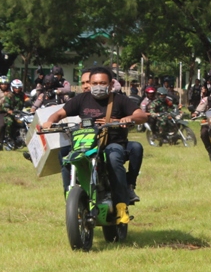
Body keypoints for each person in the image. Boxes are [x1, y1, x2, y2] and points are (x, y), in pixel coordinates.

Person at [42, 67, 147, 224]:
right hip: (86, 143)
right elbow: (60, 113)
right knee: (64, 154)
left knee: (114, 156)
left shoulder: (120, 100)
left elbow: (142, 115)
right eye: (95, 83)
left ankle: (121, 206)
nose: (98, 86)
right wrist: (50, 121)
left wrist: (128, 118)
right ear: (89, 84)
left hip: (112, 144)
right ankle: (70, 196)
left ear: (111, 84)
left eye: (102, 83)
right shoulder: (81, 99)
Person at [0, 79, 29, 150]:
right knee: (9, 122)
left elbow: (28, 101)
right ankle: (8, 138)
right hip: (10, 114)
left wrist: (31, 106)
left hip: (21, 114)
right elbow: (5, 105)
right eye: (15, 88)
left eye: (19, 88)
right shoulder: (9, 95)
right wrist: (9, 111)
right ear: (12, 87)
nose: (17, 89)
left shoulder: (23, 95)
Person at [0, 76, 11, 150]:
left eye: (5, 84)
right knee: (2, 125)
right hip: (2, 112)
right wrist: (4, 97)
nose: (4, 85)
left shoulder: (11, 92)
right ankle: (1, 142)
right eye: (2, 84)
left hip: (11, 112)